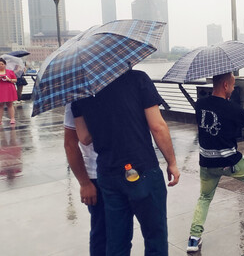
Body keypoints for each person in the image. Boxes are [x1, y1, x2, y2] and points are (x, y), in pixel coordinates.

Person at [71, 69, 180, 255]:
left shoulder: (79, 90)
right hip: (142, 168)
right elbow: (157, 126)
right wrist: (172, 162)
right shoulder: (138, 79)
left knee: (117, 241)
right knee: (155, 236)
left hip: (107, 173)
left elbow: (85, 137)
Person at [187, 72, 244, 252]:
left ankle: (194, 238)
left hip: (207, 162)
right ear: (225, 85)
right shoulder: (233, 109)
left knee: (205, 197)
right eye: (232, 85)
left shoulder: (200, 104)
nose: (233, 88)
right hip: (229, 161)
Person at [63, 103, 106, 256]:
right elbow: (70, 144)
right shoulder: (75, 100)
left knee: (121, 232)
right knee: (102, 230)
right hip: (95, 175)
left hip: (124, 170)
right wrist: (84, 182)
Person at [0, 58, 17, 125]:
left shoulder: (10, 72)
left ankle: (12, 118)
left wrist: (9, 79)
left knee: (10, 104)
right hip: (1, 90)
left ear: (5, 65)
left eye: (2, 64)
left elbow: (15, 80)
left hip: (9, 89)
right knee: (0, 105)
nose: (1, 65)